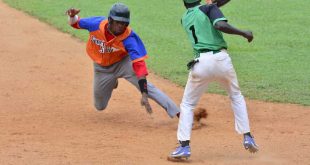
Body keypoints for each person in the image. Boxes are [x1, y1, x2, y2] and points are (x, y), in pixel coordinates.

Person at [168, 0, 259, 160]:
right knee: (236, 97)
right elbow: (219, 24)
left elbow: (211, 7)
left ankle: (184, 147)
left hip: (200, 64)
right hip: (221, 61)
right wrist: (244, 33)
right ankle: (247, 136)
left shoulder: (185, 18)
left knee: (188, 105)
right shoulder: (209, 8)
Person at [65, 3, 181, 118]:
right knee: (100, 106)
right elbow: (76, 23)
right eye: (118, 22)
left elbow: (139, 65)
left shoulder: (129, 38)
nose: (121, 26)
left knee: (148, 88)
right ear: (110, 20)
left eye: (124, 23)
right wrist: (72, 16)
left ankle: (178, 113)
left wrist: (144, 94)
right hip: (102, 68)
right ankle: (112, 81)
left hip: (123, 63)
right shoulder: (96, 24)